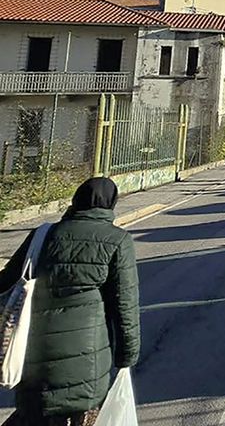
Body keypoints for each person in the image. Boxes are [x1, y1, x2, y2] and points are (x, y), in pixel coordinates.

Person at [0, 178, 140, 426]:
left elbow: (5, 283)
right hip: (87, 363)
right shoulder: (117, 240)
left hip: (32, 357)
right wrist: (126, 358)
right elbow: (125, 307)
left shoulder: (41, 235)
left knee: (34, 414)